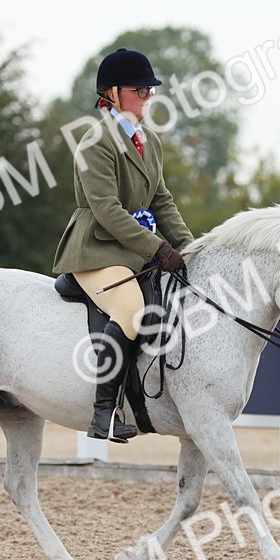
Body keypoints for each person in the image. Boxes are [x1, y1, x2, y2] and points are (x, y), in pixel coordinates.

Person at [52, 47, 194, 443]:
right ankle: (104, 415)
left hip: (131, 249)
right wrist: (158, 249)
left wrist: (189, 247)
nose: (148, 96)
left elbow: (161, 200)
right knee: (131, 309)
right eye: (140, 90)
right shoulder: (95, 142)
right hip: (95, 247)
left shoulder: (149, 140)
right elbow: (108, 211)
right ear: (113, 93)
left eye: (150, 90)